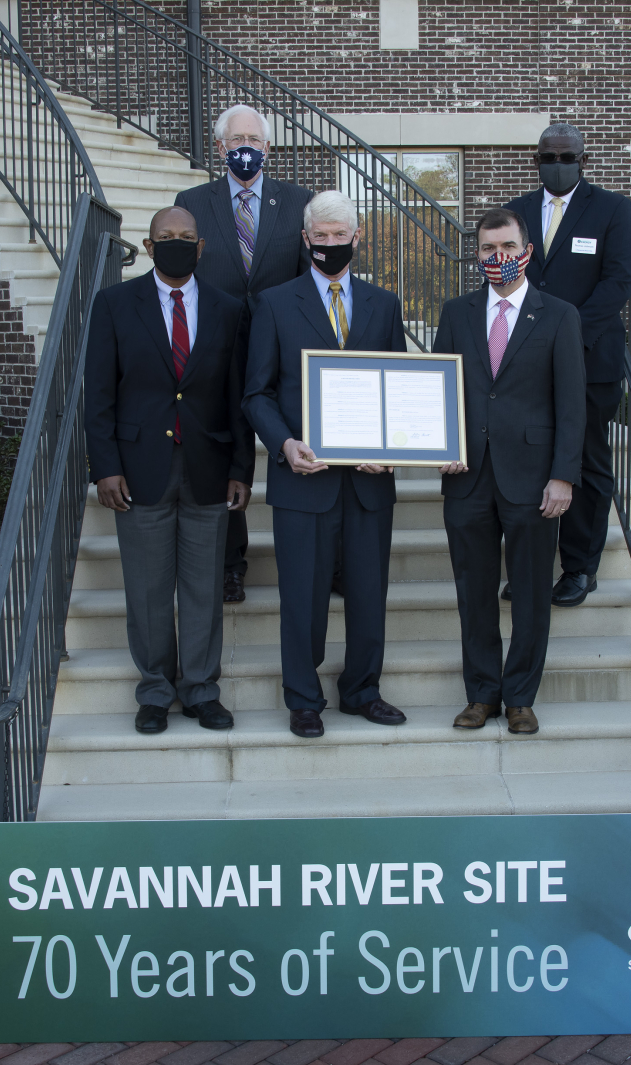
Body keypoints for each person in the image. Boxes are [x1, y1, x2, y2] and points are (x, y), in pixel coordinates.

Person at [241, 190, 409, 739]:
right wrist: (284, 444)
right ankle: (303, 697)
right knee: (303, 596)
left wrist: (391, 451)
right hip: (302, 478)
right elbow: (257, 394)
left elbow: (397, 391)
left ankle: (362, 689)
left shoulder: (384, 305)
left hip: (366, 484)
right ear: (306, 239)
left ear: (357, 238)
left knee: (367, 591)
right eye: (321, 236)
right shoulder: (274, 303)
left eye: (341, 235)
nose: (330, 244)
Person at [83, 206, 255, 735]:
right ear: (149, 245)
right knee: (148, 589)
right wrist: (104, 466)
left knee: (204, 587)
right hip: (138, 471)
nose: (176, 243)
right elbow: (99, 395)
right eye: (165, 237)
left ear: (201, 247)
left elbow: (237, 398)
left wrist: (241, 468)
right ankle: (155, 691)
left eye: (186, 236)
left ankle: (201, 689)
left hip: (208, 467)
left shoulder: (229, 310)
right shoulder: (114, 304)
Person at [434, 208, 586, 735]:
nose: (497, 258)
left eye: (506, 247)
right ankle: (482, 695)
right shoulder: (456, 312)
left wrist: (564, 475)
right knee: (473, 593)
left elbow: (572, 405)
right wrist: (442, 445)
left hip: (534, 477)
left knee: (528, 592)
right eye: (486, 250)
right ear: (476, 256)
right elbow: (440, 391)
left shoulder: (559, 315)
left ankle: (521, 697)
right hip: (467, 475)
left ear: (527, 250)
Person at [175, 104, 314, 606]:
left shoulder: (298, 202)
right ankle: (231, 564)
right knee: (223, 454)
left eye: (254, 139)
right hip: (219, 348)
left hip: (283, 350)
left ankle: (325, 558)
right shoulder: (191, 201)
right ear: (219, 148)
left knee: (300, 442)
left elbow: (307, 280)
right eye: (236, 140)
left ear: (269, 147)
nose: (246, 147)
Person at [502, 122, 631, 608]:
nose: (557, 165)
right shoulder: (515, 212)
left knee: (584, 464)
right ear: (535, 160)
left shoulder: (611, 209)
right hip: (524, 362)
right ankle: (530, 567)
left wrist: (566, 335)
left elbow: (618, 282)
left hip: (589, 359)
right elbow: (507, 277)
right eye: (548, 157)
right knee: (528, 461)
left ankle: (579, 567)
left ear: (584, 158)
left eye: (566, 156)